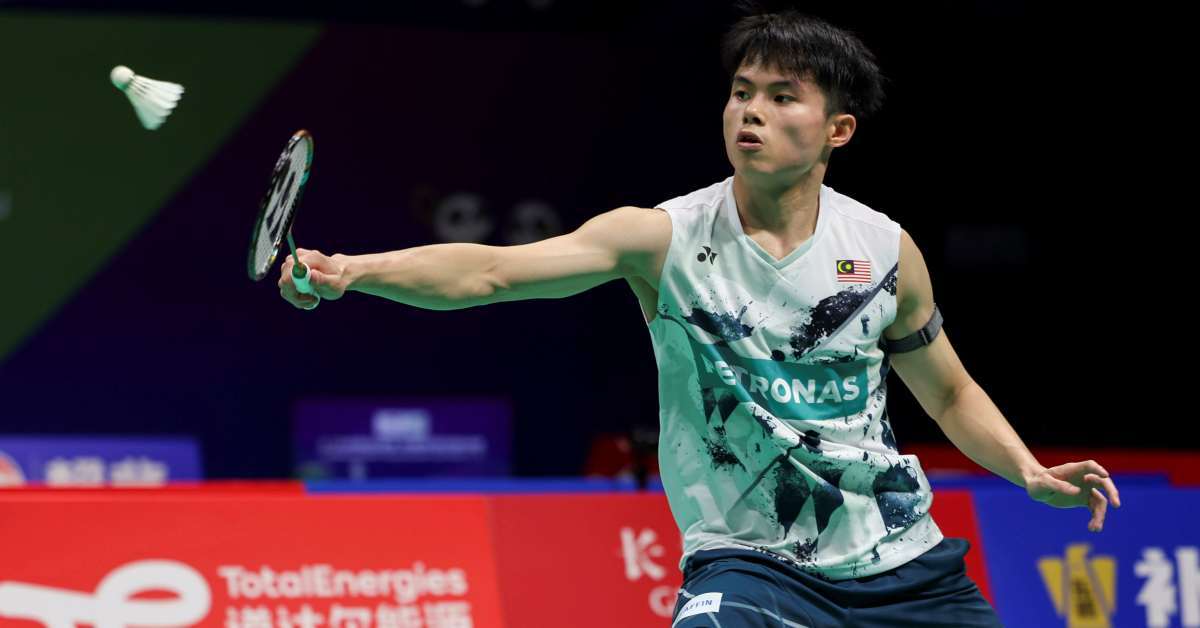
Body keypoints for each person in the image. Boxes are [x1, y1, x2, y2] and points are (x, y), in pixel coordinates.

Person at [278, 9, 1120, 627]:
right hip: (749, 565)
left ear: (838, 130)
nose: (750, 110)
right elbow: (490, 273)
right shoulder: (665, 238)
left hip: (900, 560)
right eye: (741, 92)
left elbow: (949, 392)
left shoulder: (884, 251)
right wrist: (353, 271)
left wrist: (1028, 471)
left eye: (782, 97)